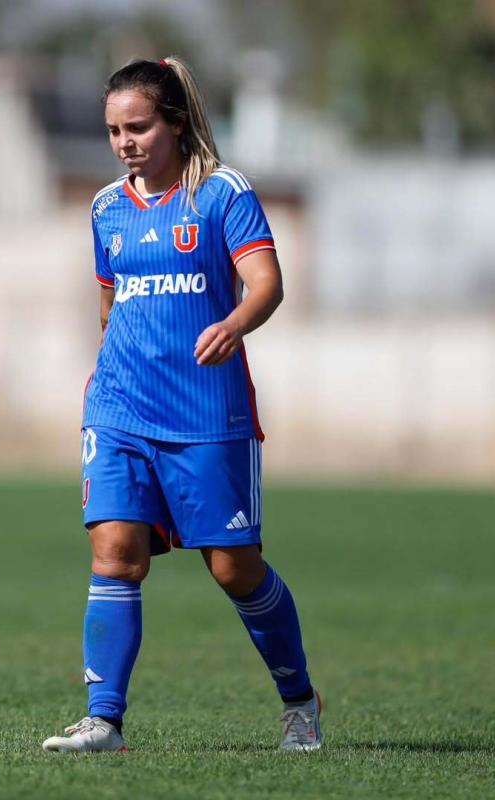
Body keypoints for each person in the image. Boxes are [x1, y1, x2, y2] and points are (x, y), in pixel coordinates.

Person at [43, 56, 321, 754]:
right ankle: (104, 720)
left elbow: (266, 281)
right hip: (119, 408)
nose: (125, 143)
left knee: (233, 567)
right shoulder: (107, 209)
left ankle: (299, 700)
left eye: (137, 127)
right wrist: (116, 372)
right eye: (113, 131)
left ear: (175, 123)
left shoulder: (223, 194)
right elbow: (110, 307)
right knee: (114, 553)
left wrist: (234, 323)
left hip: (206, 414)